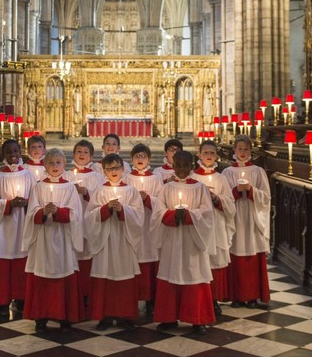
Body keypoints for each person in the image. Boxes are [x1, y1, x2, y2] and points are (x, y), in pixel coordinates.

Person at [152, 150, 216, 335]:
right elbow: (157, 214)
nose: (181, 169)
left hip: (192, 241)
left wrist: (189, 215)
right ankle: (168, 318)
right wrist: (172, 215)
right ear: (172, 166)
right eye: (178, 165)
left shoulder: (200, 188)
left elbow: (207, 215)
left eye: (185, 165)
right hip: (172, 239)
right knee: (170, 274)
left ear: (192, 166)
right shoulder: (166, 188)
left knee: (193, 274)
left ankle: (197, 319)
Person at [22, 148, 84, 332]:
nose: (55, 166)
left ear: (64, 165)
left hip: (63, 239)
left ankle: (65, 316)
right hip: (43, 239)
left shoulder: (69, 188)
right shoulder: (39, 187)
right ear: (44, 165)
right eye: (51, 162)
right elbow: (31, 213)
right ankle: (41, 317)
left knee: (65, 275)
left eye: (58, 162)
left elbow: (76, 214)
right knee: (41, 276)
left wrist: (59, 212)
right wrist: (43, 212)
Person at [0, 139, 37, 318]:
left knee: (22, 262)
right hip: (3, 227)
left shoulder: (28, 175)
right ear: (3, 154)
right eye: (9, 151)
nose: (13, 155)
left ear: (21, 152)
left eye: (16, 151)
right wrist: (9, 204)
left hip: (23, 224)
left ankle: (22, 298)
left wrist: (27, 203)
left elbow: (37, 197)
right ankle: (3, 302)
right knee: (2, 265)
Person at [85, 153, 144, 330]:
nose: (114, 171)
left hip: (124, 240)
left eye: (117, 167)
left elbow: (139, 216)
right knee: (105, 275)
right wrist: (105, 210)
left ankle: (126, 316)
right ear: (104, 171)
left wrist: (123, 210)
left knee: (124, 277)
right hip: (106, 241)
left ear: (123, 169)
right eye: (110, 168)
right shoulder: (99, 191)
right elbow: (89, 217)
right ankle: (105, 316)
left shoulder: (131, 191)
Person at [222, 135, 271, 308]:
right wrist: (235, 191)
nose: (243, 152)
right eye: (239, 148)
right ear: (234, 150)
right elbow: (224, 198)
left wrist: (251, 191)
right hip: (235, 217)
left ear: (251, 151)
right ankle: (236, 296)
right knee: (234, 254)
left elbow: (266, 197)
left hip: (252, 217)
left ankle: (252, 296)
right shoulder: (227, 173)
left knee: (251, 254)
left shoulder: (258, 171)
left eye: (246, 149)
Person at [193, 140, 236, 316]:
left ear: (216, 155)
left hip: (216, 225)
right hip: (199, 226)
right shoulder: (193, 177)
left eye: (212, 153)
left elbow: (230, 204)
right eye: (206, 153)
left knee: (215, 262)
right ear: (199, 155)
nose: (209, 156)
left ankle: (214, 299)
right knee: (200, 261)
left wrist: (217, 199)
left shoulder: (221, 178)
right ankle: (200, 297)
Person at [62, 139, 104, 313]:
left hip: (89, 222)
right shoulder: (66, 175)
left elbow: (102, 197)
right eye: (79, 151)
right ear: (73, 154)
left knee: (88, 255)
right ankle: (73, 293)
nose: (81, 155)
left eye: (85, 152)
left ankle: (87, 293)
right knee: (73, 254)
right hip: (71, 221)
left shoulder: (97, 176)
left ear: (91, 156)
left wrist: (87, 193)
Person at [126, 143, 164, 313]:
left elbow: (161, 201)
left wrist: (148, 199)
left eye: (143, 156)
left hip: (149, 224)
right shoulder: (126, 178)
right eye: (137, 156)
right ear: (131, 159)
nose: (140, 159)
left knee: (151, 256)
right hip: (133, 225)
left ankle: (151, 299)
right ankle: (133, 297)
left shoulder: (155, 178)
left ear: (149, 158)